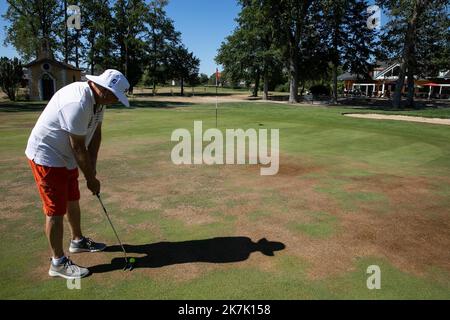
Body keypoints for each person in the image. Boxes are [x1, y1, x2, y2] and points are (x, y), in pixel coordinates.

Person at [25, 69, 130, 279]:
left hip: (67, 157)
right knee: (55, 209)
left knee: (73, 199)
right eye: (115, 96)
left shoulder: (100, 101)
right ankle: (57, 263)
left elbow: (96, 135)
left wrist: (93, 167)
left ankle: (78, 241)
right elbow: (78, 146)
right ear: (103, 89)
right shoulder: (78, 102)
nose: (117, 101)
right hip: (48, 156)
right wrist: (91, 178)